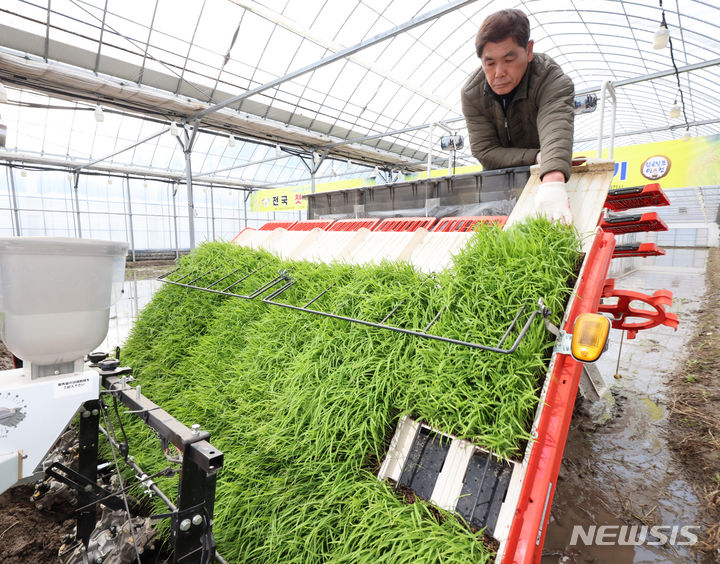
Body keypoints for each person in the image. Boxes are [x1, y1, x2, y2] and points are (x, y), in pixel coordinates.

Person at [461, 9, 575, 223]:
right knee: (496, 227)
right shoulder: (472, 93)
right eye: (490, 63)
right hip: (498, 173)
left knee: (547, 219)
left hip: (545, 169)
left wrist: (552, 181)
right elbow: (485, 150)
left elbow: (556, 126)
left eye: (509, 59)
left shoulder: (550, 80)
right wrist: (535, 155)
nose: (499, 73)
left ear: (529, 50)